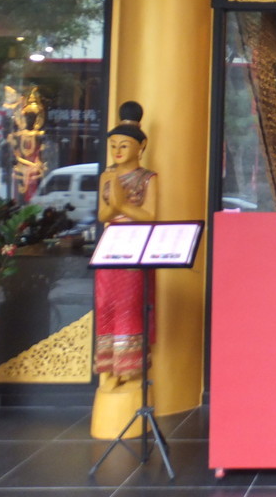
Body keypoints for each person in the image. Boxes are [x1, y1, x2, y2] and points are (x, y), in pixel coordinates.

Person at [94, 100, 158, 388]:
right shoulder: (107, 176)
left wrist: (121, 205)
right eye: (113, 146)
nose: (118, 151)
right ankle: (109, 366)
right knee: (106, 302)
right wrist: (115, 206)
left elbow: (151, 215)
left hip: (135, 243)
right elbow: (102, 215)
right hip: (110, 244)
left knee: (130, 303)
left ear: (141, 146)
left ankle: (129, 365)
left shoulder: (148, 178)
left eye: (124, 145)